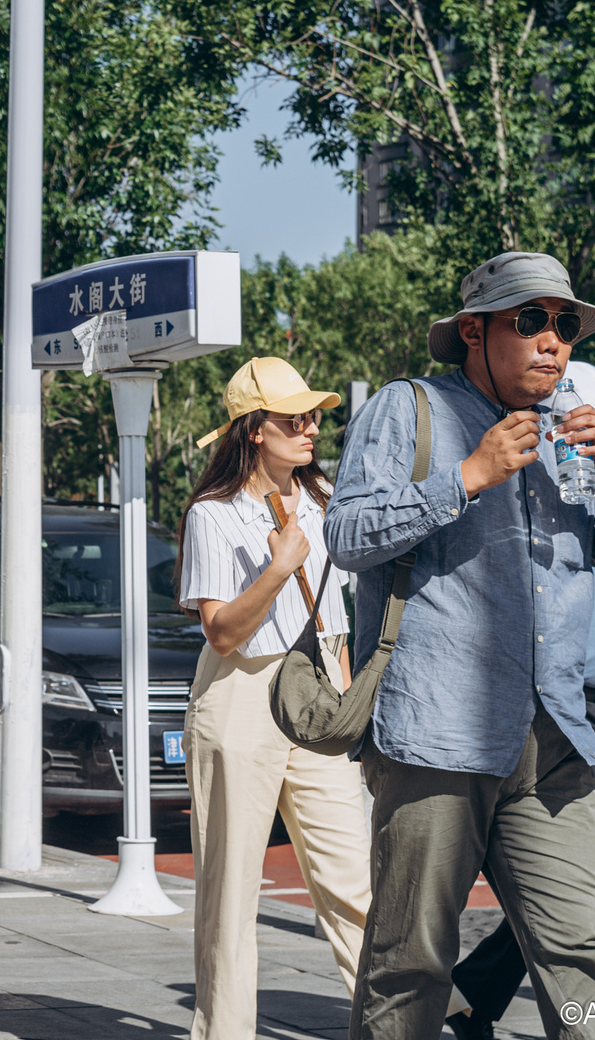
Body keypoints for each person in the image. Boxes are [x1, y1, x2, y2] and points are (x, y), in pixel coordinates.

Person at [325, 251, 595, 1039]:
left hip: (554, 739)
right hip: (437, 738)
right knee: (409, 964)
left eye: (565, 325)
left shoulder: (578, 433)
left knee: (591, 958)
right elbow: (346, 534)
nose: (553, 341)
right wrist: (467, 475)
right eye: (532, 321)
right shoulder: (406, 408)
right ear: (475, 332)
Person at [447, 360, 595, 1039]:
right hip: (557, 716)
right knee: (583, 894)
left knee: (579, 896)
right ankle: (500, 994)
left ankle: (479, 993)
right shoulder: (539, 514)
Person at [175, 357, 372, 1039]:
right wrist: (277, 568)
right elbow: (221, 631)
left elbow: (335, 616)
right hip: (239, 696)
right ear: (254, 429)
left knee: (354, 879)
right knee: (231, 894)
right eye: (295, 418)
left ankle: (394, 1023)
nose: (311, 427)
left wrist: (345, 699)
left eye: (314, 415)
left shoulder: (324, 501)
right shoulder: (213, 513)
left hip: (313, 689)